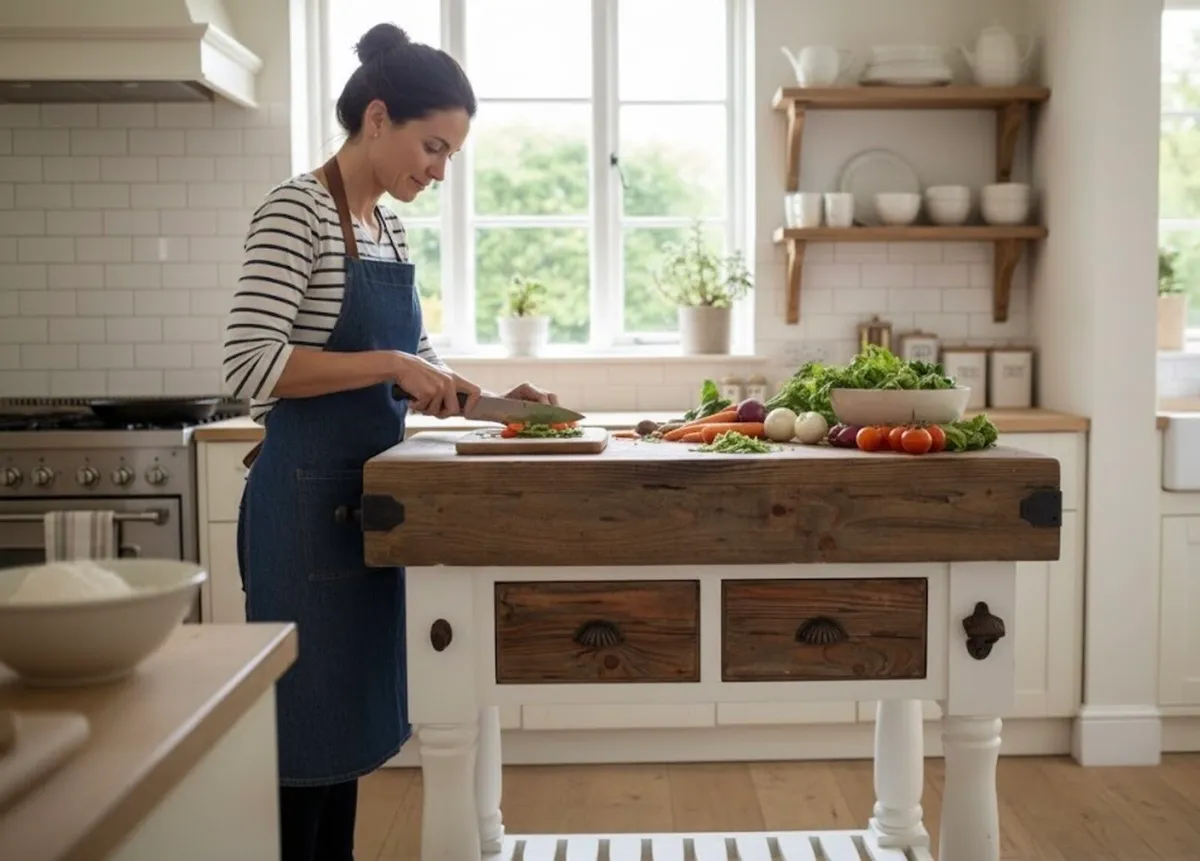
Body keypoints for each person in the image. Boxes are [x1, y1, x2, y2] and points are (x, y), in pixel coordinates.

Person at [222, 22, 557, 861]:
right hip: (299, 514)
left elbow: (422, 368)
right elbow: (249, 364)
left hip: (363, 513)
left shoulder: (385, 227)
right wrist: (393, 361)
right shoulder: (295, 210)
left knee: (342, 746)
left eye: (450, 155)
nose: (440, 171)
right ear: (378, 118)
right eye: (433, 146)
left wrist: (501, 408)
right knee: (302, 746)